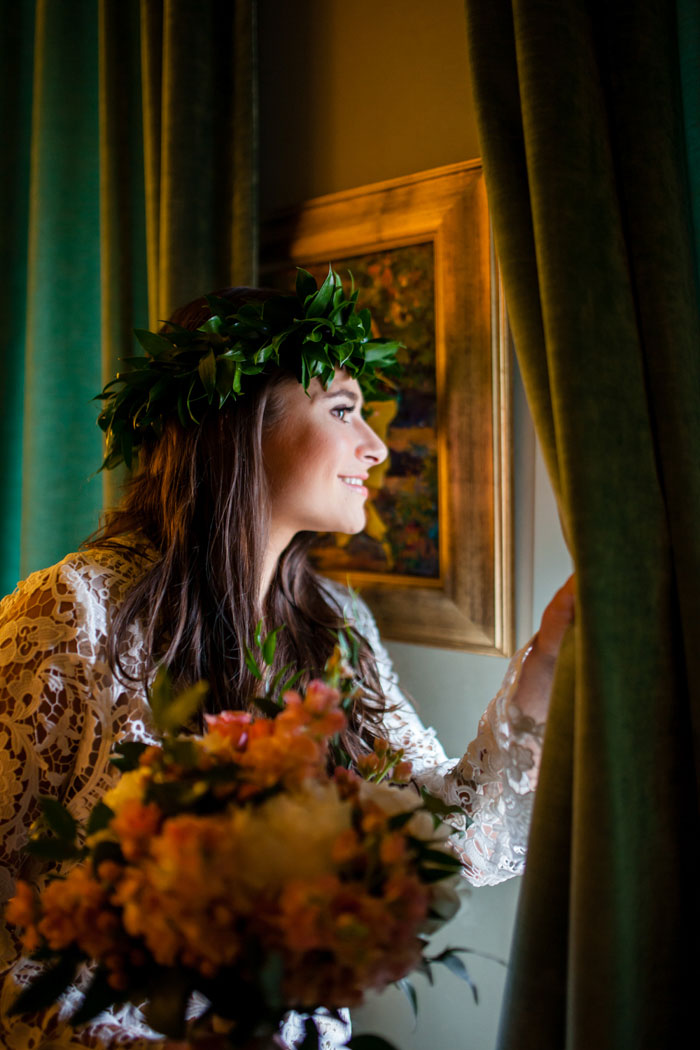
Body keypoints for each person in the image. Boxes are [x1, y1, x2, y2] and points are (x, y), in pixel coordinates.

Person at [0, 271, 575, 1050]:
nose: (375, 446)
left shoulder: (340, 629)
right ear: (240, 422)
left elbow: (447, 843)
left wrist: (547, 658)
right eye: (343, 410)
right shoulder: (75, 612)